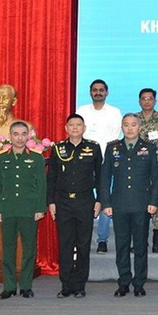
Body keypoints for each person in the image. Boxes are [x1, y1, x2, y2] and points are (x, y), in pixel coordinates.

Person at [99, 113, 158, 297]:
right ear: (121, 127)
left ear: (139, 127)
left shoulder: (149, 148)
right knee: (122, 246)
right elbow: (104, 177)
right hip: (119, 205)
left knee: (141, 246)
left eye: (134, 124)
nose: (130, 128)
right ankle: (124, 282)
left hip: (142, 205)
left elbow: (156, 178)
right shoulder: (112, 148)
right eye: (126, 125)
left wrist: (154, 202)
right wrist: (106, 202)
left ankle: (139, 283)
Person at [47, 114, 102, 298]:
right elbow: (51, 177)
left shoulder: (93, 148)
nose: (75, 128)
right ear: (66, 128)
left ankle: (79, 285)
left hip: (85, 201)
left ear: (84, 128)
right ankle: (66, 285)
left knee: (83, 244)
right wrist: (51, 202)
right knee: (65, 244)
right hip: (63, 202)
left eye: (79, 125)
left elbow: (100, 176)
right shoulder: (58, 148)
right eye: (72, 125)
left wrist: (99, 200)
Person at [0, 121, 46, 299]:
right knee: (8, 249)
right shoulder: (1, 158)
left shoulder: (36, 158)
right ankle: (8, 286)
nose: (20, 138)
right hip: (7, 209)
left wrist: (40, 208)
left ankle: (25, 286)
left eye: (23, 134)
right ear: (10, 136)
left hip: (29, 209)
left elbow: (41, 186)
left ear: (28, 136)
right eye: (16, 134)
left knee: (29, 249)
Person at [76, 79, 122, 254]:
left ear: (106, 93)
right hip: (85, 161)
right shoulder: (82, 111)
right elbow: (78, 133)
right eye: (95, 90)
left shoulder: (114, 112)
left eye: (101, 90)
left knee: (104, 198)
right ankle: (83, 238)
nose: (98, 93)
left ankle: (102, 239)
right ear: (90, 92)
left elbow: (114, 137)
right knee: (84, 198)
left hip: (106, 161)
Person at [135, 88, 158, 254]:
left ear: (155, 101)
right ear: (139, 101)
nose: (147, 101)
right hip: (139, 166)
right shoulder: (134, 119)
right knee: (141, 200)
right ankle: (140, 240)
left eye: (150, 98)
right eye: (144, 99)